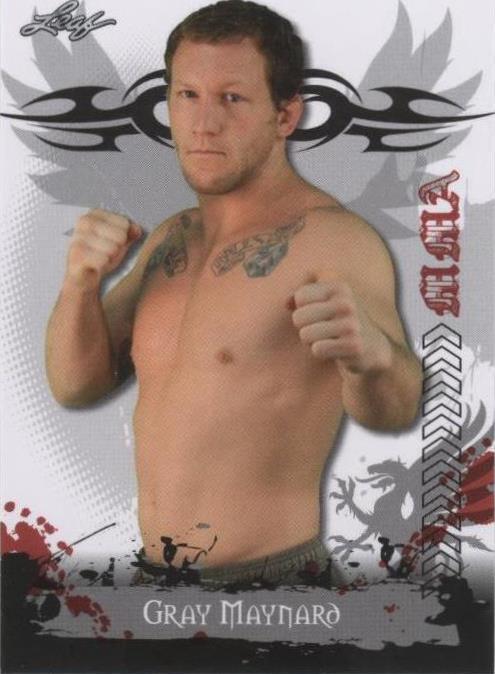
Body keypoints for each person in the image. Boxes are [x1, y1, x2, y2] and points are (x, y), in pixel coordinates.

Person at [45, 0, 422, 587]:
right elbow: (76, 385)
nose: (203, 123)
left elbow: (395, 408)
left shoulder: (334, 239)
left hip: (271, 586)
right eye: (187, 95)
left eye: (232, 98)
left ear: (285, 115)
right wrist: (80, 284)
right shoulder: (171, 239)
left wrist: (371, 358)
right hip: (155, 581)